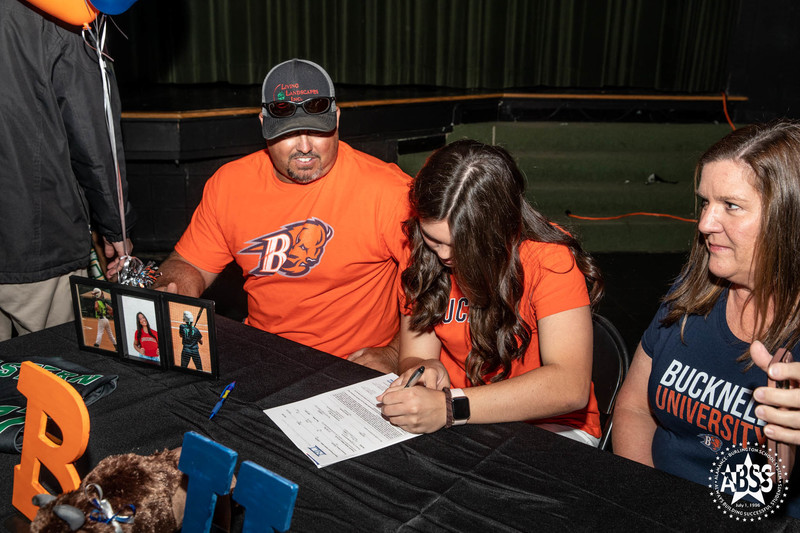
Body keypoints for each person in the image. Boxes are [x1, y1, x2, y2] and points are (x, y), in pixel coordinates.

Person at [154, 58, 410, 373]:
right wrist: (172, 290)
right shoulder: (230, 184)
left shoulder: (388, 190)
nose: (304, 147)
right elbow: (188, 264)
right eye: (288, 133)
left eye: (317, 131)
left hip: (351, 365)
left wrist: (396, 352)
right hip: (263, 358)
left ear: (338, 119)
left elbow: (433, 287)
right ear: (263, 124)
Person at [613, 120, 800, 518]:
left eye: (730, 206)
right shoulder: (695, 291)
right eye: (705, 202)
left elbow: (779, 485)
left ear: (788, 219)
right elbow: (632, 409)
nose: (704, 224)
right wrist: (646, 504)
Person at [377, 140, 604, 446]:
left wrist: (451, 406)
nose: (444, 255)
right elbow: (417, 353)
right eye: (434, 239)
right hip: (459, 415)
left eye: (460, 245)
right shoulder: (423, 252)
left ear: (500, 229)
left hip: (547, 424)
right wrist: (425, 368)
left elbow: (569, 386)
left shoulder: (549, 260)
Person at [0, 0, 135, 342]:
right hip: (35, 241)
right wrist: (115, 227)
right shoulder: (63, 11)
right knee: (64, 368)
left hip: (26, 238)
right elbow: (93, 131)